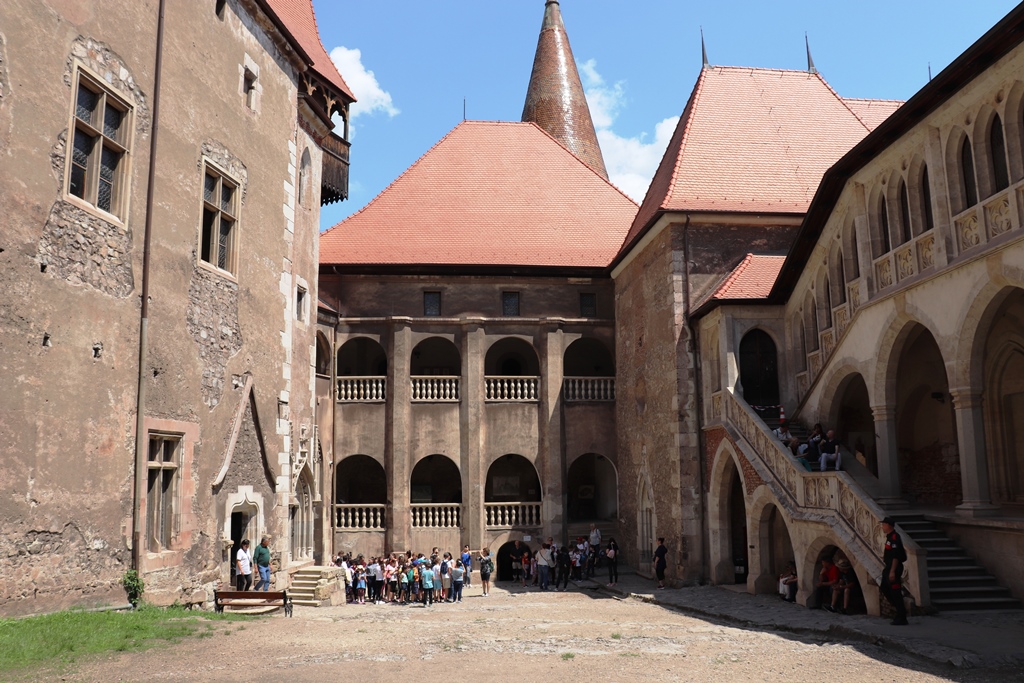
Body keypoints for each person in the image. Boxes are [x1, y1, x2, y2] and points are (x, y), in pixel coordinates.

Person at [880, 517, 909, 625]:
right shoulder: (889, 537)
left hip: (894, 568)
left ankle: (902, 616)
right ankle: (899, 610)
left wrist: (892, 571)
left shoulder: (895, 537)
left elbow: (896, 556)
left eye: (883, 524)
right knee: (884, 587)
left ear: (888, 525)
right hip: (888, 567)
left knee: (895, 592)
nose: (882, 527)